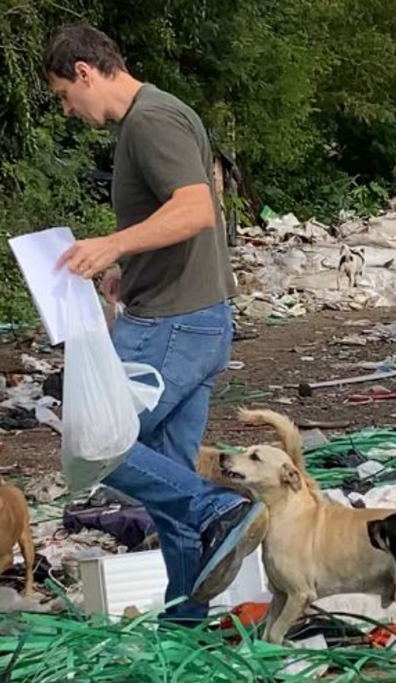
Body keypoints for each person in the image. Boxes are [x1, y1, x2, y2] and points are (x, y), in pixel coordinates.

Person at [44, 22, 267, 623]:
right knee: (166, 472)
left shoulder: (150, 121)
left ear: (85, 72)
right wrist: (133, 263)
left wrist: (114, 245)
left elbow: (194, 208)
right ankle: (186, 617)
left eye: (65, 95)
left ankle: (219, 510)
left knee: (98, 443)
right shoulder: (161, 113)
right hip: (193, 316)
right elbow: (179, 213)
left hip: (172, 322)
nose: (68, 110)